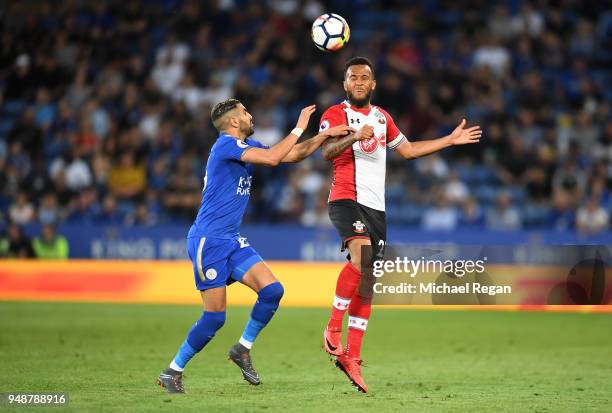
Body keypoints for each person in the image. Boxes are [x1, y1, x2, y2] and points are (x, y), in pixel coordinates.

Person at [156, 98, 353, 393]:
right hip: (209, 241)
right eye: (246, 113)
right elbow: (274, 158)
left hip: (231, 239)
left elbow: (293, 154)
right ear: (234, 121)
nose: (250, 116)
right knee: (214, 318)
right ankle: (172, 371)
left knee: (272, 290)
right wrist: (299, 125)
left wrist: (323, 135)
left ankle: (242, 349)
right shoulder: (225, 145)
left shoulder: (246, 147)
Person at [320, 56, 482, 393]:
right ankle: (333, 329)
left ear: (374, 83)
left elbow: (407, 150)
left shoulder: (383, 118)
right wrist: (353, 137)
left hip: (377, 209)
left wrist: (448, 141)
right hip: (345, 198)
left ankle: (352, 356)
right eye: (353, 77)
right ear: (345, 84)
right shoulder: (334, 115)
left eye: (365, 77)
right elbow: (326, 152)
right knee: (361, 259)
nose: (359, 82)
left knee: (369, 282)